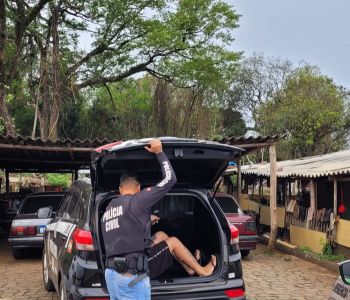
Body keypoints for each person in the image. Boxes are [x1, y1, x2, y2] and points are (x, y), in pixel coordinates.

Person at [101, 139, 176, 300]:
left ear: (120, 189)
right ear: (139, 189)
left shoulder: (108, 209)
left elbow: (124, 226)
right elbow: (170, 179)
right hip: (131, 277)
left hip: (111, 276)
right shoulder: (138, 200)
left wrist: (147, 219)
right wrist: (159, 153)